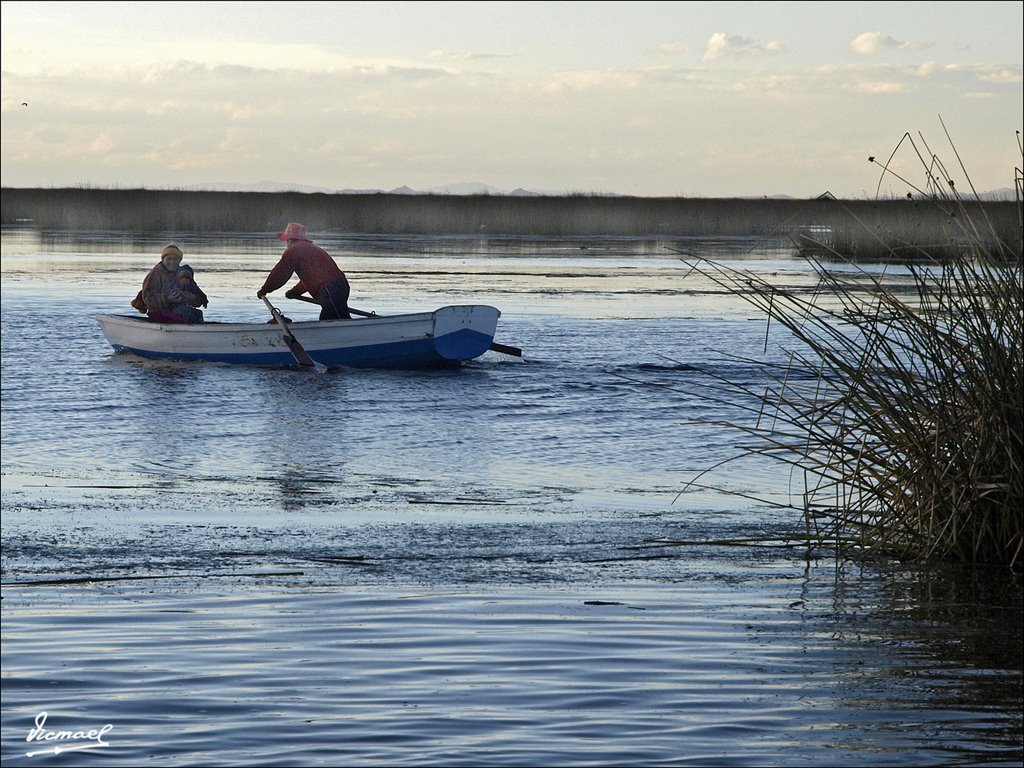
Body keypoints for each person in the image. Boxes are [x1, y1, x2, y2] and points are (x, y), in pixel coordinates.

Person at [256, 222, 351, 320]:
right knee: (328, 321)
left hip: (330, 290)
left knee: (339, 322)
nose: (286, 244)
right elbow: (310, 280)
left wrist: (264, 290)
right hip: (340, 286)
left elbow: (279, 275)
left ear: (291, 239)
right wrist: (295, 292)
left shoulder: (294, 251)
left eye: (286, 240)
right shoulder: (310, 248)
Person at [133, 244, 208, 324]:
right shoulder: (155, 274)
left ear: (179, 260)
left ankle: (196, 332)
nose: (172, 262)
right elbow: (148, 299)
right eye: (168, 259)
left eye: (175, 259)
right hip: (159, 313)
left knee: (197, 313)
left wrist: (190, 297)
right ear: (163, 260)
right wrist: (167, 299)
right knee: (184, 311)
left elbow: (199, 298)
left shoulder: (184, 274)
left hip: (180, 309)